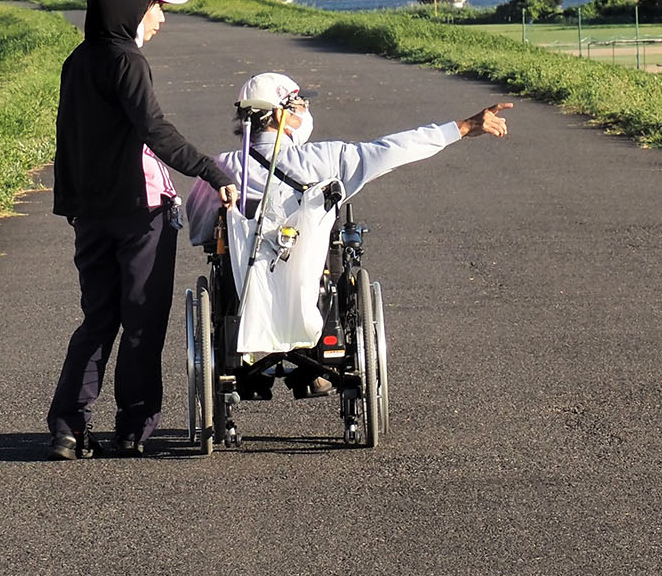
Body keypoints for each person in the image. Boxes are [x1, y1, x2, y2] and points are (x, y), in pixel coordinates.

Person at [185, 71, 511, 396]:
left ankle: (250, 370)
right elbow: (393, 149)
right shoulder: (326, 158)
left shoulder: (219, 169)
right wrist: (464, 127)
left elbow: (201, 232)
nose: (304, 112)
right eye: (297, 105)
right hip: (314, 292)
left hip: (242, 300)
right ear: (279, 115)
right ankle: (316, 363)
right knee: (336, 244)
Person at [46, 0, 237, 460]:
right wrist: (213, 172)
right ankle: (133, 428)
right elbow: (155, 130)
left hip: (90, 215)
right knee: (142, 322)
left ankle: (67, 428)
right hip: (140, 209)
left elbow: (67, 140)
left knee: (97, 319)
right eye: (156, 6)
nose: (161, 17)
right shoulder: (127, 60)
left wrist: (69, 203)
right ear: (133, 7)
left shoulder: (77, 61)